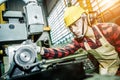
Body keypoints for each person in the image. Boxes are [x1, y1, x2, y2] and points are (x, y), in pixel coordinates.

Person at [39, 5, 120, 75]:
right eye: (70, 27)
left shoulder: (110, 29)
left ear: (85, 18)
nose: (73, 30)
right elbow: (64, 51)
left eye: (75, 24)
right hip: (105, 72)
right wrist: (40, 50)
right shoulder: (79, 41)